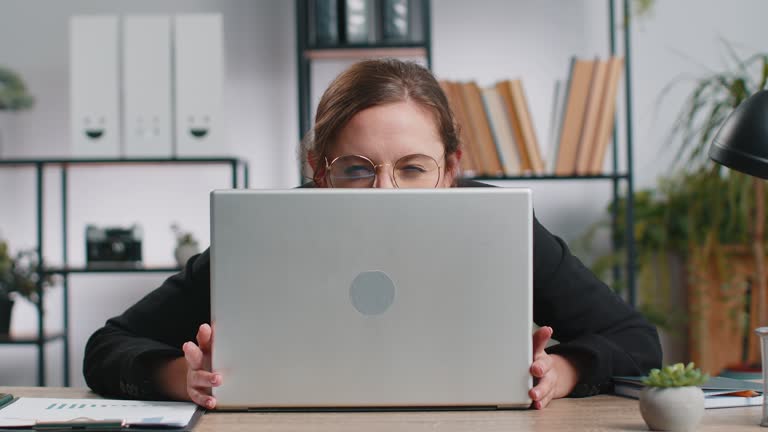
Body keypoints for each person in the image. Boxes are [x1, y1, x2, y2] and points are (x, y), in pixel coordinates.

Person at [83, 58, 661, 410]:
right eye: (358, 169)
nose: (385, 190)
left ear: (450, 169)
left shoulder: (500, 225)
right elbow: (107, 347)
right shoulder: (265, 234)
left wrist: (562, 372)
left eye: (413, 168)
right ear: (318, 169)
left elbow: (637, 339)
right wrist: (178, 376)